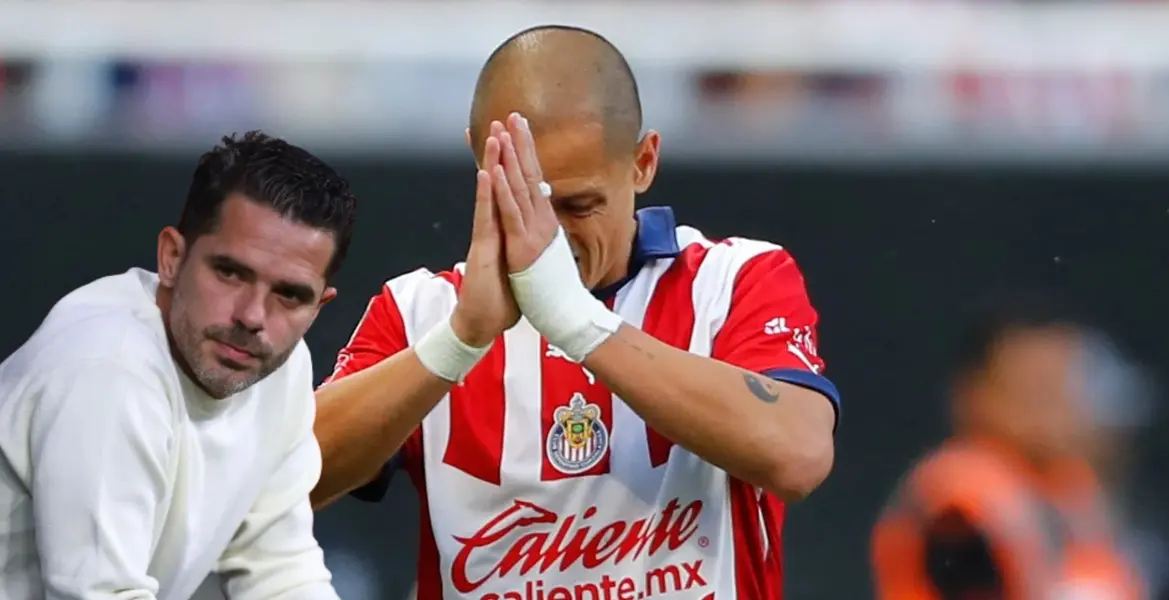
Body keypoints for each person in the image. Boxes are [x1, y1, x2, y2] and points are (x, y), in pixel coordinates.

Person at [313, 25, 840, 599]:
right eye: (525, 199)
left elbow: (799, 456)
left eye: (580, 205)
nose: (551, 236)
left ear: (643, 162)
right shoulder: (422, 312)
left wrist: (577, 322)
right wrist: (461, 340)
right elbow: (283, 480)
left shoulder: (733, 281)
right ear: (479, 160)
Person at [0, 132, 355, 600]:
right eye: (230, 272)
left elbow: (281, 570)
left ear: (317, 308)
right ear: (172, 257)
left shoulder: (278, 369)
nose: (252, 316)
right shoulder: (109, 369)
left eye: (289, 295)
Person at [870, 298, 1144, 600]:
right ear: (974, 394)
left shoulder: (1072, 482)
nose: (1053, 410)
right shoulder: (960, 497)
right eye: (1035, 391)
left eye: (1061, 388)